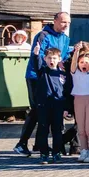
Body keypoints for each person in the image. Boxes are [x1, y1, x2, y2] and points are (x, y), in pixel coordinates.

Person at [16, 11, 72, 157]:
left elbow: (65, 55)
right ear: (55, 21)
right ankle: (22, 143)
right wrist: (47, 70)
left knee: (47, 113)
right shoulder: (43, 35)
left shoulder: (65, 38)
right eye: (63, 22)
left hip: (54, 77)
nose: (66, 25)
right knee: (37, 109)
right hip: (37, 76)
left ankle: (40, 145)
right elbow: (39, 56)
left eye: (68, 22)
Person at [33, 43, 72, 164]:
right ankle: (44, 154)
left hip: (58, 105)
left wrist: (66, 108)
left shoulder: (63, 74)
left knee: (57, 131)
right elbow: (37, 64)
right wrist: (36, 54)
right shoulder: (43, 71)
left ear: (59, 59)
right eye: (49, 58)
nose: (52, 60)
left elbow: (67, 92)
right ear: (45, 59)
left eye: (54, 58)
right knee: (43, 130)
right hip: (43, 105)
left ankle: (56, 153)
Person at [70, 43, 89, 162]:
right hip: (78, 99)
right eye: (81, 62)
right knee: (81, 128)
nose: (84, 64)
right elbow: (73, 64)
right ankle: (84, 150)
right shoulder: (75, 72)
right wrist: (76, 51)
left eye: (86, 62)